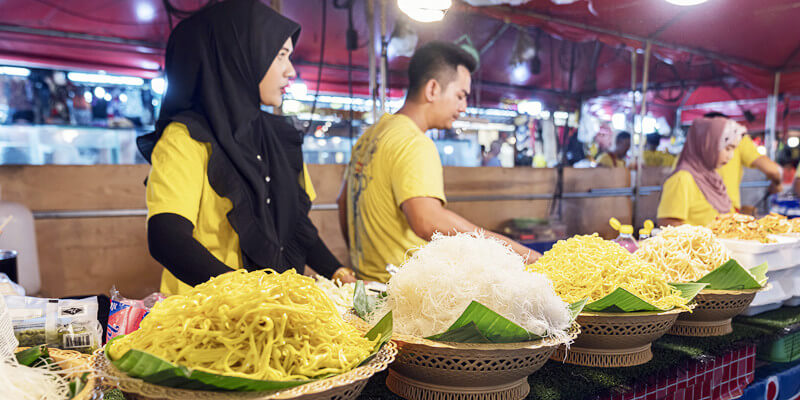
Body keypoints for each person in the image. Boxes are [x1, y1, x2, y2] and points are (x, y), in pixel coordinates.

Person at [138, 0, 353, 296]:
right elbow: (167, 239)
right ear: (239, 58)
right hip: (204, 322)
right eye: (280, 56)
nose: (291, 71)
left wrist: (340, 273)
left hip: (275, 317)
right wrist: (250, 295)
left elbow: (296, 227)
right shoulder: (184, 139)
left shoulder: (280, 137)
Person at [337, 41, 540, 283]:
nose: (463, 107)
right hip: (399, 293)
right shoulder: (413, 141)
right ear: (433, 89)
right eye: (460, 96)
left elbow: (343, 203)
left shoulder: (370, 136)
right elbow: (427, 221)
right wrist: (516, 253)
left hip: (366, 284)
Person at [657, 116, 745, 227]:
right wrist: (702, 238)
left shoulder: (713, 177)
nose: (730, 156)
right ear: (707, 145)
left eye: (733, 149)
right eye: (727, 148)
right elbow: (668, 223)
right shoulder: (682, 179)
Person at [706, 112, 782, 210]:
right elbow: (773, 170)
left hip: (693, 214)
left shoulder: (692, 147)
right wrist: (777, 183)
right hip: (724, 211)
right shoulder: (737, 138)